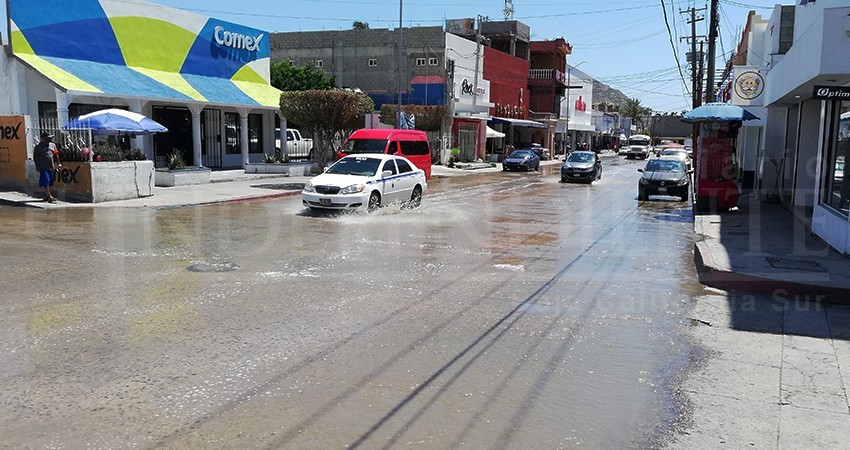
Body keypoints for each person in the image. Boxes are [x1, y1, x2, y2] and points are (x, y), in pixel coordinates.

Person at [33, 132, 60, 202]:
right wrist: (37, 166)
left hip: (51, 166)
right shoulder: (38, 147)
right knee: (46, 182)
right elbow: (35, 158)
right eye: (48, 138)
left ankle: (46, 196)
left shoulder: (52, 145)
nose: (50, 139)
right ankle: (49, 197)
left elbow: (56, 155)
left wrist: (58, 163)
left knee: (50, 182)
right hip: (43, 167)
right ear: (43, 138)